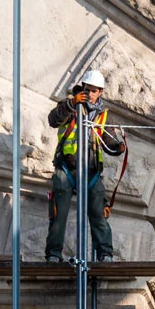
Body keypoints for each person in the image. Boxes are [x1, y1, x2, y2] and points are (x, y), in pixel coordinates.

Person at [45, 68, 125, 262]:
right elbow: (53, 120)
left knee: (99, 214)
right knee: (58, 214)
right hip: (67, 168)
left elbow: (108, 143)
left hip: (91, 172)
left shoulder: (103, 116)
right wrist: (71, 104)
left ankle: (104, 253)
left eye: (94, 90)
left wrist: (119, 146)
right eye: (87, 89)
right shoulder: (70, 108)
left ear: (101, 92)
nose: (89, 94)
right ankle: (54, 254)